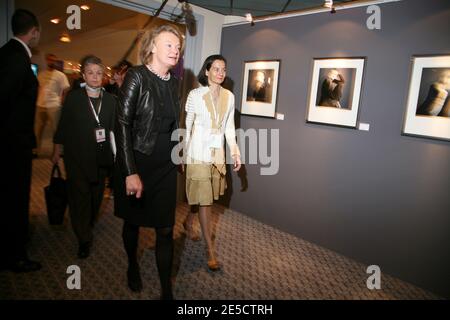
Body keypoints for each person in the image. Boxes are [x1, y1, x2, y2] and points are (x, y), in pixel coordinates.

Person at [114, 24, 183, 299]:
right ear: (152, 46)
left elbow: (174, 123)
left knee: (165, 229)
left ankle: (166, 290)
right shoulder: (136, 77)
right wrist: (130, 172)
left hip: (166, 166)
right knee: (132, 222)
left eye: (178, 47)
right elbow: (122, 125)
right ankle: (132, 265)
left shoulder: (176, 82)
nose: (175, 50)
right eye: (169, 45)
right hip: (138, 163)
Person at [52, 55, 116, 259]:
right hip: (77, 156)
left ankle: (86, 224)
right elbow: (63, 126)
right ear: (83, 75)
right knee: (80, 197)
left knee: (96, 198)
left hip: (101, 158)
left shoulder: (111, 100)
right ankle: (83, 238)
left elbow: (115, 130)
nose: (95, 77)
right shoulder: (74, 97)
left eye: (99, 73)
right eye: (90, 73)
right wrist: (56, 150)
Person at [183, 54, 241, 271]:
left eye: (223, 69)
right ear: (206, 71)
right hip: (197, 153)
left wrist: (235, 152)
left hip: (217, 153)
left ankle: (188, 221)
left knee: (204, 195)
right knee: (205, 200)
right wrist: (183, 153)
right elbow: (188, 125)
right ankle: (210, 249)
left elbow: (229, 128)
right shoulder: (195, 95)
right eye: (215, 68)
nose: (220, 73)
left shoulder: (229, 96)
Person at [0, 9, 42, 272]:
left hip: (12, 143)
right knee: (14, 199)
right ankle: (14, 255)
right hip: (12, 146)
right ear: (34, 32)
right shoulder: (16, 59)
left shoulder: (5, 53)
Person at [34, 53, 70, 157]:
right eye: (49, 60)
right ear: (46, 61)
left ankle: (59, 151)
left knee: (56, 130)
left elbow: (66, 89)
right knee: (38, 129)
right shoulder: (41, 74)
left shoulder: (60, 75)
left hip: (54, 105)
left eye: (53, 60)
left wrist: (61, 101)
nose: (51, 62)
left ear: (56, 62)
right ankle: (37, 150)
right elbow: (38, 88)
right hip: (40, 105)